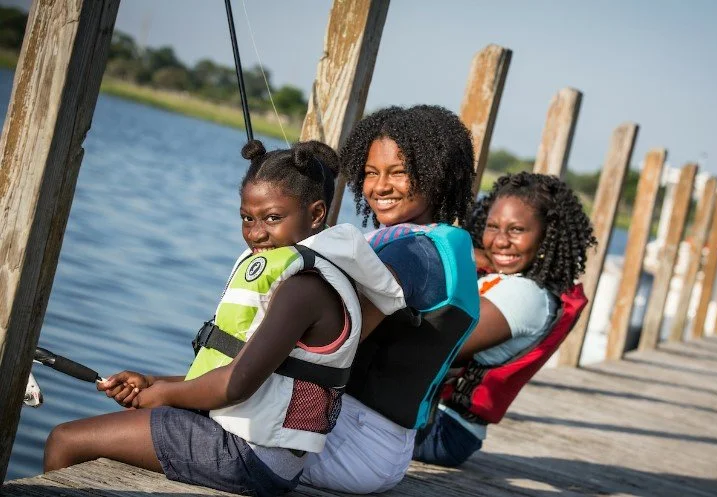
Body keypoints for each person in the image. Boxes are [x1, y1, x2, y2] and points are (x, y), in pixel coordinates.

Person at [42, 140, 405, 497]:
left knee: (66, 440)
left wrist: (162, 395)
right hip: (263, 456)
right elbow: (252, 372)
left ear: (315, 214)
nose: (256, 232)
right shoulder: (310, 277)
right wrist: (153, 382)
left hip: (248, 457)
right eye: (247, 217)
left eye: (273, 218)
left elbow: (235, 386)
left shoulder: (304, 289)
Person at [299, 105, 481, 493]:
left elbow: (331, 343)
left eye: (399, 172)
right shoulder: (438, 243)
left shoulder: (412, 255)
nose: (380, 187)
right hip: (376, 445)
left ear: (437, 174)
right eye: (369, 172)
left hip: (351, 444)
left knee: (174, 423)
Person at [412, 171, 597, 467]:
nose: (500, 241)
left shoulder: (525, 296)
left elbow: (435, 343)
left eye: (516, 230)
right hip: (435, 419)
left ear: (547, 236)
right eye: (493, 227)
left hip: (442, 430)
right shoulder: (506, 280)